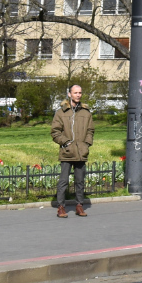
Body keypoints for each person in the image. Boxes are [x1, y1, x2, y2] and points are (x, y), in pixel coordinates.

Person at [51, 83, 94, 218]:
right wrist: (66, 143)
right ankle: (61, 207)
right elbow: (55, 132)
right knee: (63, 180)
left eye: (80, 93)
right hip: (67, 152)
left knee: (80, 180)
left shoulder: (86, 113)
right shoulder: (61, 112)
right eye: (75, 93)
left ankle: (79, 205)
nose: (78, 95)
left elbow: (90, 130)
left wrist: (86, 144)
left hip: (81, 152)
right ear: (69, 94)